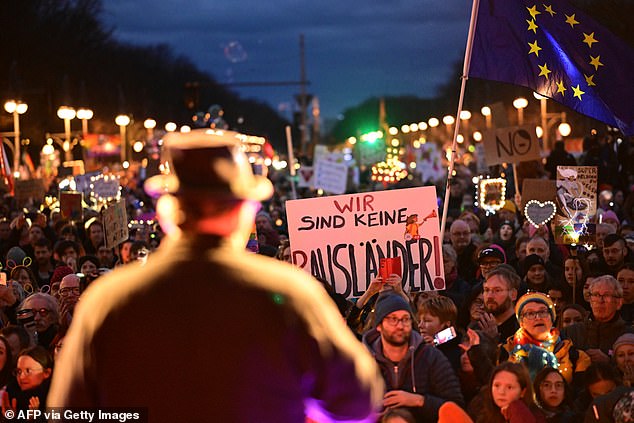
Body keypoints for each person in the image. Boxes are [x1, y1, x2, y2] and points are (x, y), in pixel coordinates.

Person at [48, 129, 383, 422]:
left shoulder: (109, 300)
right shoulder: (290, 293)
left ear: (166, 212)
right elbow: (358, 401)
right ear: (244, 211)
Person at [363, 293, 464, 421]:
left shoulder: (431, 357)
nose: (400, 326)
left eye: (405, 319)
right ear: (379, 325)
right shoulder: (362, 362)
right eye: (393, 319)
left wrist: (420, 401)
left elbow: (456, 408)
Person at [501, 292, 590, 384]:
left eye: (543, 312)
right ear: (521, 322)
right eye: (530, 313)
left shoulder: (576, 356)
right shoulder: (503, 353)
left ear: (552, 319)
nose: (538, 317)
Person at [563, 275, 631, 364]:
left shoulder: (628, 335)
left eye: (606, 295)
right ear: (590, 301)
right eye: (596, 295)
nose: (600, 300)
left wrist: (609, 361)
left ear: (619, 302)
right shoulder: (571, 333)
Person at [470, 362, 545, 423]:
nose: (501, 392)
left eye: (509, 387)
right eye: (497, 385)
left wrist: (516, 410)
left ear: (522, 392)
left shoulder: (534, 416)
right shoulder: (480, 410)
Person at [3, 346, 53, 415]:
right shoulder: (11, 397)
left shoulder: (56, 399)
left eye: (28, 371)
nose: (21, 377)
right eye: (19, 371)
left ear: (46, 373)